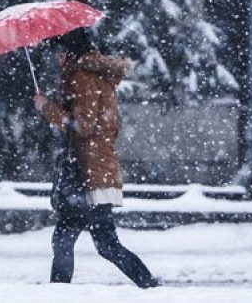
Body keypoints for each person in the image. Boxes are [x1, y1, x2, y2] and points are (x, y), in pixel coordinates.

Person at [33, 28, 160, 288]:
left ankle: (150, 286)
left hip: (89, 173)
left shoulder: (81, 75)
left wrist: (47, 108)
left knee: (92, 242)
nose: (55, 58)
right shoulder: (91, 73)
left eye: (58, 51)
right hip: (92, 169)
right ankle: (147, 285)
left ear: (68, 51)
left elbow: (83, 125)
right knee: (78, 240)